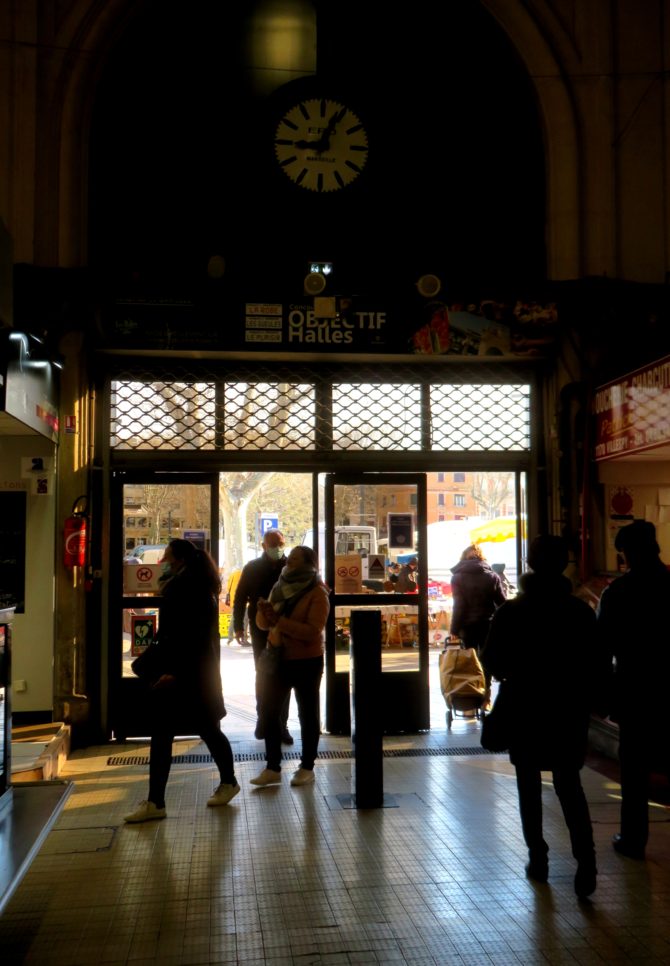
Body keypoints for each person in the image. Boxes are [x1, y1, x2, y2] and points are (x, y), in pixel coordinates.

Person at [481, 535, 598, 898]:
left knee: (528, 785)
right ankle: (587, 863)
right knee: (570, 786)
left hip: (525, 706)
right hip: (568, 708)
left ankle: (538, 857)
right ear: (564, 564)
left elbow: (494, 662)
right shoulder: (579, 611)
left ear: (530, 563)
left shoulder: (512, 612)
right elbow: (595, 663)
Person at [124, 538, 239, 822]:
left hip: (182, 675)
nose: (163, 559)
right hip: (197, 674)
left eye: (167, 554)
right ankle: (226, 783)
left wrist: (171, 671)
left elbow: (182, 636)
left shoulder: (184, 588)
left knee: (167, 733)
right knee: (205, 729)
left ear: (179, 559)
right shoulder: (201, 586)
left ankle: (157, 803)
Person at [596, 519, 670, 860]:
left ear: (628, 552)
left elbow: (602, 647)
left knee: (635, 768)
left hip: (635, 688)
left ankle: (633, 838)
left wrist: (600, 692)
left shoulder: (619, 593)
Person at [251, 545, 330, 787]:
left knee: (307, 714)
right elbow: (264, 625)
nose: (289, 562)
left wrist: (280, 622)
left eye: (295, 559)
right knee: (269, 711)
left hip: (306, 660)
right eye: (290, 559)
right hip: (277, 658)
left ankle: (307, 767)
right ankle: (272, 767)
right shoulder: (280, 585)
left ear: (309, 563)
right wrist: (263, 613)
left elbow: (312, 631)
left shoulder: (317, 592)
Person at [233, 529, 293, 743]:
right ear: (263, 546)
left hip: (285, 629)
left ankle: (281, 725)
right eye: (273, 544)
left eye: (280, 543)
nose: (278, 548)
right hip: (260, 630)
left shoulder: (291, 566)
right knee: (263, 674)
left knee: (284, 676)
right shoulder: (252, 568)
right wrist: (238, 627)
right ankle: (264, 720)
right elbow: (239, 598)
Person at [450, 543, 507, 701]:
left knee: (470, 660)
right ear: (481, 557)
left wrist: (454, 629)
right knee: (486, 659)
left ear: (463, 557)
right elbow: (502, 603)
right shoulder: (492, 576)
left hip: (467, 627)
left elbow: (459, 606)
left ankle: (473, 693)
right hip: (488, 624)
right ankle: (486, 694)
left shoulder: (458, 577)